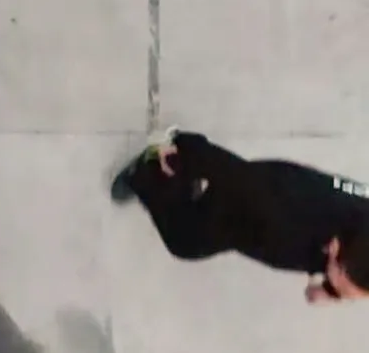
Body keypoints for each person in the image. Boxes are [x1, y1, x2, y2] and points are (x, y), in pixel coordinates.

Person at [111, 127, 369, 303]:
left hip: (277, 224)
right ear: (335, 250)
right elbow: (237, 175)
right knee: (184, 241)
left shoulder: (357, 239)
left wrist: (330, 291)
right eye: (343, 286)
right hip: (254, 214)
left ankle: (183, 180)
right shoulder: (288, 205)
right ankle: (150, 170)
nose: (347, 295)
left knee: (201, 219)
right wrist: (186, 154)